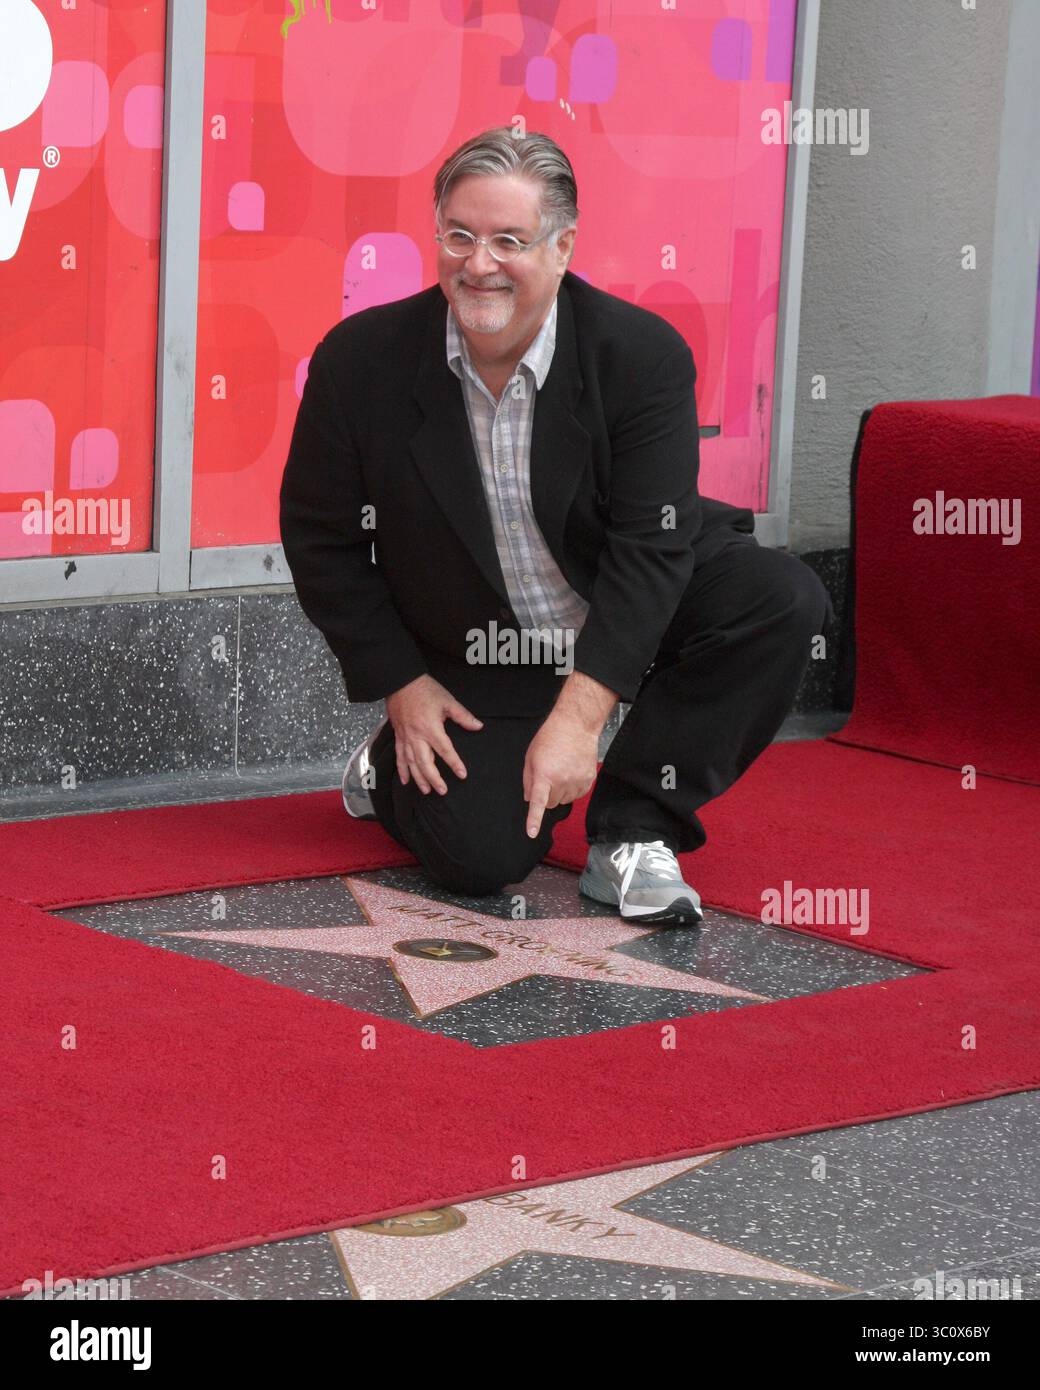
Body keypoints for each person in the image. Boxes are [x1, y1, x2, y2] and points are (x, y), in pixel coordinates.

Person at [280, 127, 832, 924]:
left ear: (564, 245)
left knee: (780, 599)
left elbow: (651, 550)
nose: (479, 264)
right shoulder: (358, 362)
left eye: (510, 240)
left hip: (617, 597)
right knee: (480, 858)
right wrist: (400, 684)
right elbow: (321, 539)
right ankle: (387, 767)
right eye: (460, 236)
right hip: (480, 642)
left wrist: (581, 721)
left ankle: (636, 828)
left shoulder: (641, 358)